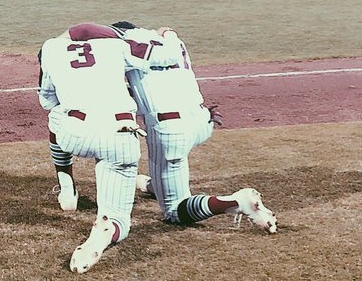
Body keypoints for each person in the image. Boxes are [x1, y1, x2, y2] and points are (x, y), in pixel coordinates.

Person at [116, 21, 278, 240]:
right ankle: (156, 184)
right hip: (202, 120)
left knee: (174, 211)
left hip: (171, 131)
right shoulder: (170, 40)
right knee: (167, 163)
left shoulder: (122, 47)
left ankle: (236, 202)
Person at [38, 21, 164, 274]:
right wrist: (164, 35)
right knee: (118, 219)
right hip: (121, 136)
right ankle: (104, 231)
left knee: (55, 115)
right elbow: (159, 57)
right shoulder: (119, 46)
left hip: (77, 133)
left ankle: (66, 186)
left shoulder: (51, 48)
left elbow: (46, 101)